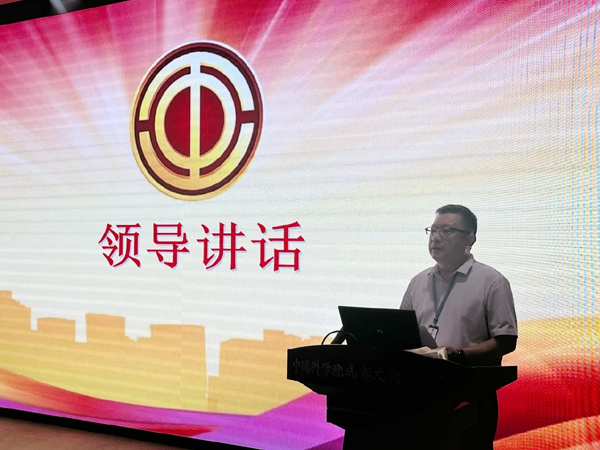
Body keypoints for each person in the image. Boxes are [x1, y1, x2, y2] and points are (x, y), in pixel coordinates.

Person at [400, 204, 517, 449]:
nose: (436, 237)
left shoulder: (491, 281)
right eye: (433, 230)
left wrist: (459, 354)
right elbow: (401, 331)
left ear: (470, 239)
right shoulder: (418, 282)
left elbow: (506, 340)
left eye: (446, 231)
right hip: (420, 393)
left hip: (470, 394)